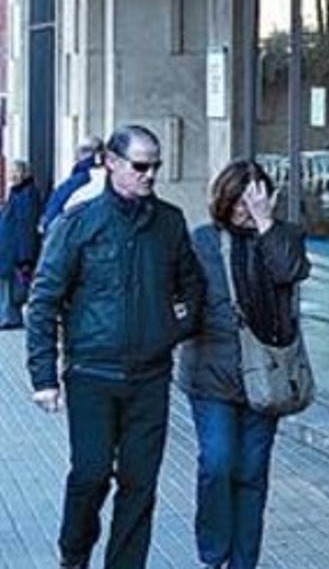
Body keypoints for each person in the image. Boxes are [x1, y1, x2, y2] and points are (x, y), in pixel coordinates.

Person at [25, 124, 206, 569]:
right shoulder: (79, 224)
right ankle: (74, 555)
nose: (150, 175)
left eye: (156, 166)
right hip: (92, 375)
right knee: (90, 475)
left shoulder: (169, 222)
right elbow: (44, 298)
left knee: (139, 483)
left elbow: (193, 287)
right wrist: (44, 377)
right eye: (140, 166)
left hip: (150, 377)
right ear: (111, 162)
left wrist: (171, 330)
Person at [177, 160, 310, 569]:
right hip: (211, 374)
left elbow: (289, 272)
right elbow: (183, 296)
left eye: (252, 198)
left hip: (267, 377)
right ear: (223, 197)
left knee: (252, 473)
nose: (242, 208)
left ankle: (243, 562)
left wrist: (266, 223)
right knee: (217, 463)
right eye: (236, 199)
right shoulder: (202, 241)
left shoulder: (284, 237)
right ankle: (213, 554)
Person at [0, 160, 41, 328]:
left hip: (14, 251)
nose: (11, 176)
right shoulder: (18, 192)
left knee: (13, 286)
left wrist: (25, 257)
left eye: (14, 172)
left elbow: (25, 227)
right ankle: (8, 316)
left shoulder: (25, 195)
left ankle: (9, 317)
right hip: (9, 249)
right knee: (9, 285)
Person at [39, 136, 105, 234]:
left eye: (84, 150)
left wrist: (46, 223)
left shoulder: (83, 177)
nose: (79, 154)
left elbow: (59, 200)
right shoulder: (103, 176)